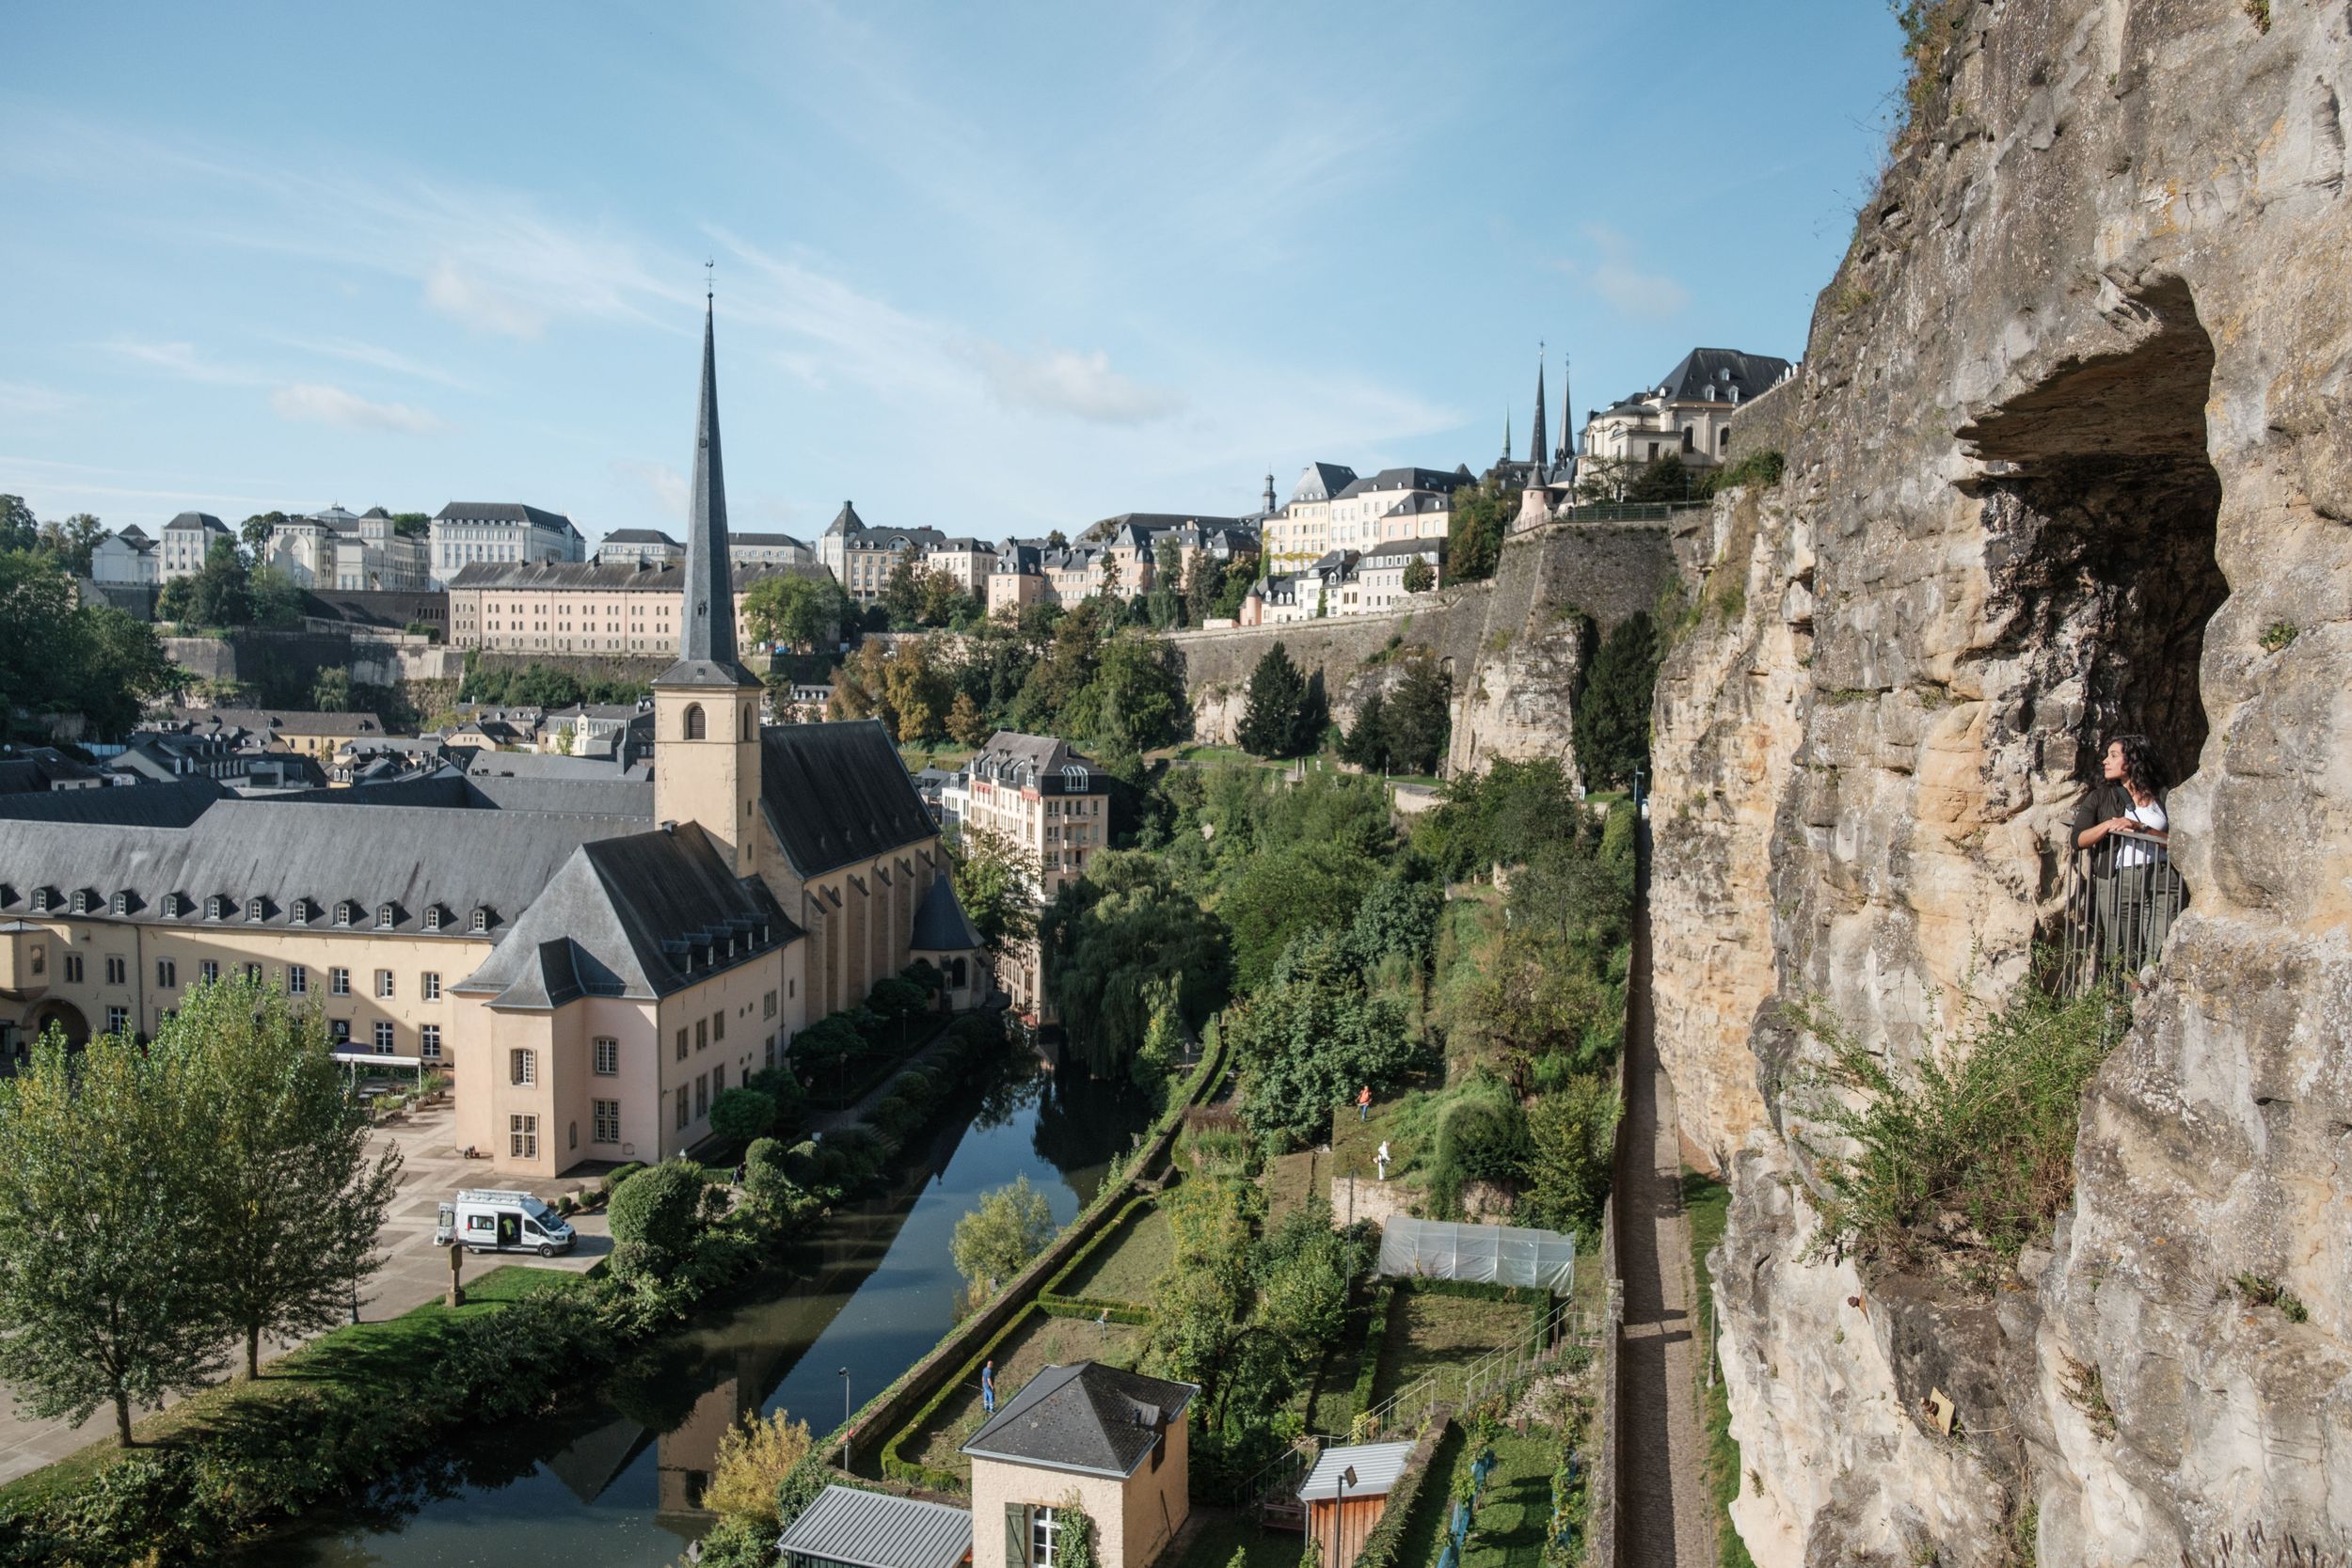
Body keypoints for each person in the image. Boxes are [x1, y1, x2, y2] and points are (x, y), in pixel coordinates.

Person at [2072, 734, 2180, 977]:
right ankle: (2123, 1011)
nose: (2105, 761)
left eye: (2113, 755)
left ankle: (2150, 1008)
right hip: (2120, 880)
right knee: (2121, 955)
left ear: (2132, 761)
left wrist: (2140, 828)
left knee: (2159, 955)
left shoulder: (2163, 796)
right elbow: (2077, 840)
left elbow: (2180, 843)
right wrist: (2107, 825)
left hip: (2163, 880)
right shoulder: (2100, 797)